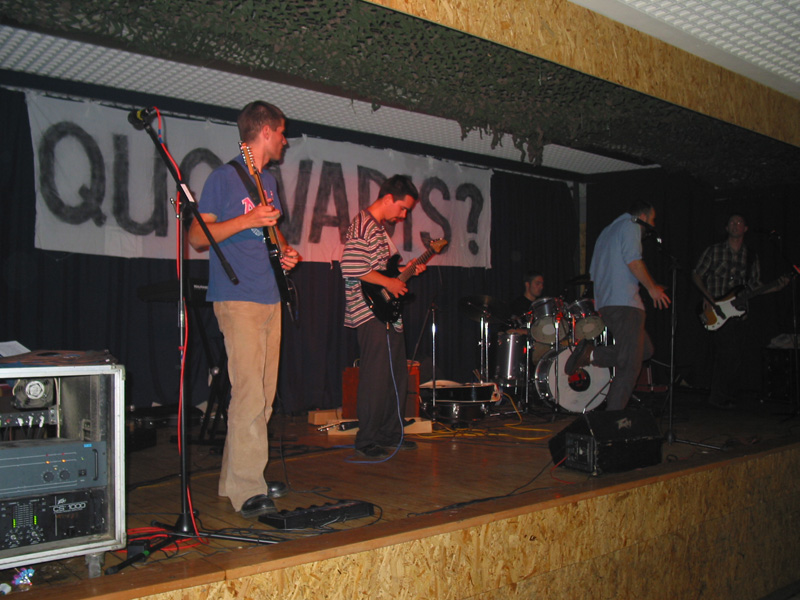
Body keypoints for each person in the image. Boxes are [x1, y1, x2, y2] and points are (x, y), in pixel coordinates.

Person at [188, 101, 300, 519]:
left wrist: (286, 252)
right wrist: (247, 218)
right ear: (266, 131)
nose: (285, 140)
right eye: (282, 132)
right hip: (238, 299)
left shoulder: (266, 180)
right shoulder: (223, 177)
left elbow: (269, 232)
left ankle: (235, 478)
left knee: (263, 397)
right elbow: (197, 237)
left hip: (269, 295)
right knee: (250, 394)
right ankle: (248, 488)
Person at [341, 175, 425, 459]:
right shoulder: (363, 224)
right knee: (376, 376)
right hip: (370, 311)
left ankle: (389, 433)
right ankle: (367, 439)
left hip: (385, 311)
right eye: (403, 208)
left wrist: (406, 270)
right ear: (388, 198)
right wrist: (389, 283)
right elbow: (351, 266)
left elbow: (381, 269)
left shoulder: (377, 229)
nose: (403, 215)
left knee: (395, 375)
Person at [565, 200, 670, 411]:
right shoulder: (631, 226)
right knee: (630, 365)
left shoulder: (607, 232)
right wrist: (652, 288)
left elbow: (594, 273)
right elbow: (633, 261)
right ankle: (612, 418)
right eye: (652, 219)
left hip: (608, 304)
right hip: (625, 304)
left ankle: (591, 355)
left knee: (645, 350)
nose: (652, 224)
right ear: (643, 216)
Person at [692, 214, 788, 409]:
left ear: (746, 228)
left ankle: (723, 396)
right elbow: (696, 274)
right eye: (732, 222)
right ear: (726, 228)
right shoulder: (714, 250)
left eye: (739, 222)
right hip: (716, 309)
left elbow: (754, 286)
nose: (735, 225)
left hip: (738, 312)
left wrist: (776, 286)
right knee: (726, 352)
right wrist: (707, 297)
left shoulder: (751, 256)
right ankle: (718, 398)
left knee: (734, 356)